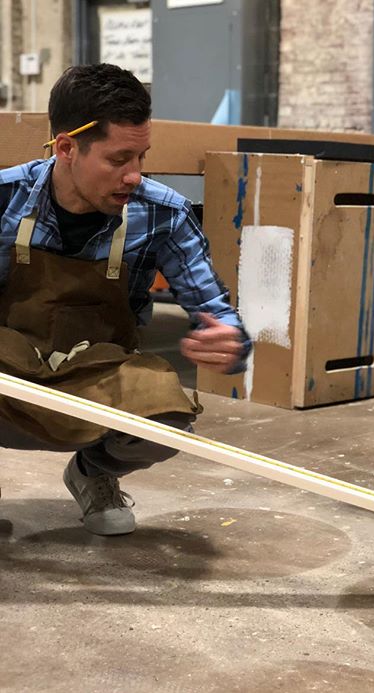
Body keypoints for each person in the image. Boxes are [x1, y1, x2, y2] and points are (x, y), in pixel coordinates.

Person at [0, 63, 251, 536]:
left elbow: (217, 312)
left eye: (142, 157)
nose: (135, 175)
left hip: (97, 372)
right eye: (119, 160)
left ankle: (94, 472)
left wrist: (230, 341)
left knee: (168, 413)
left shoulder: (163, 215)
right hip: (8, 372)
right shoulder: (4, 199)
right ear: (67, 148)